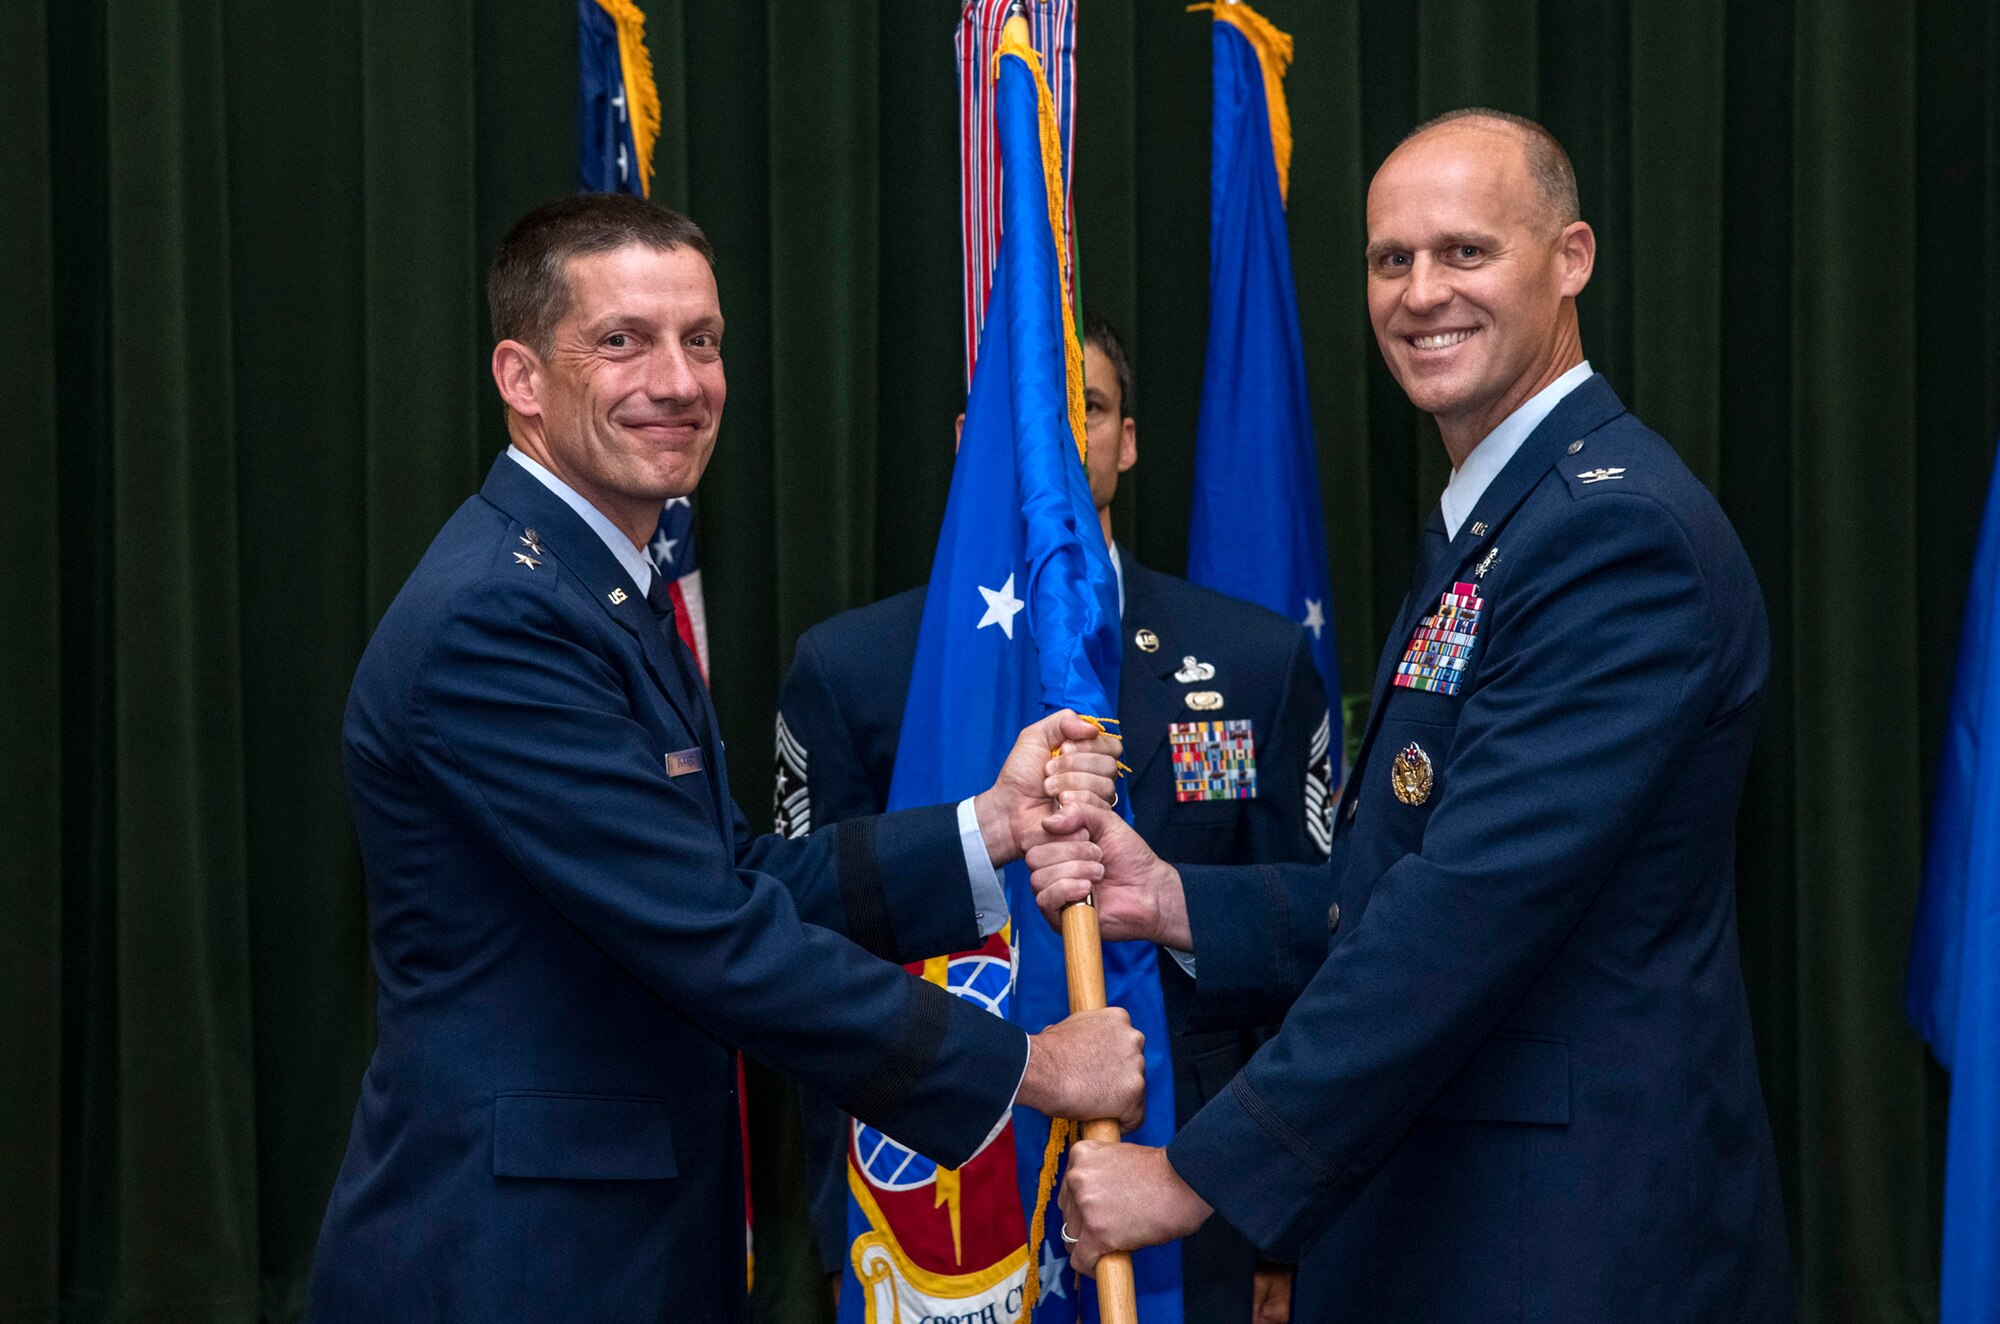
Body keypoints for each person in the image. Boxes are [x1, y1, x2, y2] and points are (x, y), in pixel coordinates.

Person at [305, 193, 1146, 1323]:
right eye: (622, 341)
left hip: (626, 1242)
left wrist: (987, 828)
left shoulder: (598, 583)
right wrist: (1031, 1068)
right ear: (519, 377)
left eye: (699, 340)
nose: (680, 380)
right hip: (519, 1262)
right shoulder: (495, 620)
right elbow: (710, 934)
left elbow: (731, 875)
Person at [1030, 110, 1794, 1322]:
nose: (1420, 293)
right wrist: (1176, 901)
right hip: (1457, 1213)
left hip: (1559, 1238)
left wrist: (1194, 1172)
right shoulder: (1499, 518)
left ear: (1572, 257)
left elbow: (1465, 909)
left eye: (1465, 252)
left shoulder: (1611, 531)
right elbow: (1405, 871)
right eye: (1391, 260)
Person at [775, 312, 1332, 1323]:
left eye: (1087, 405)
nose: (1057, 432)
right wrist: (832, 1218)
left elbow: (1317, 930)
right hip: (939, 1198)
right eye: (1025, 412)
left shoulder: (1251, 661)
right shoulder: (853, 669)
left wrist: (1279, 1222)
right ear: (969, 444)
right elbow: (808, 951)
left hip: (1191, 1192)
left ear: (1126, 441)